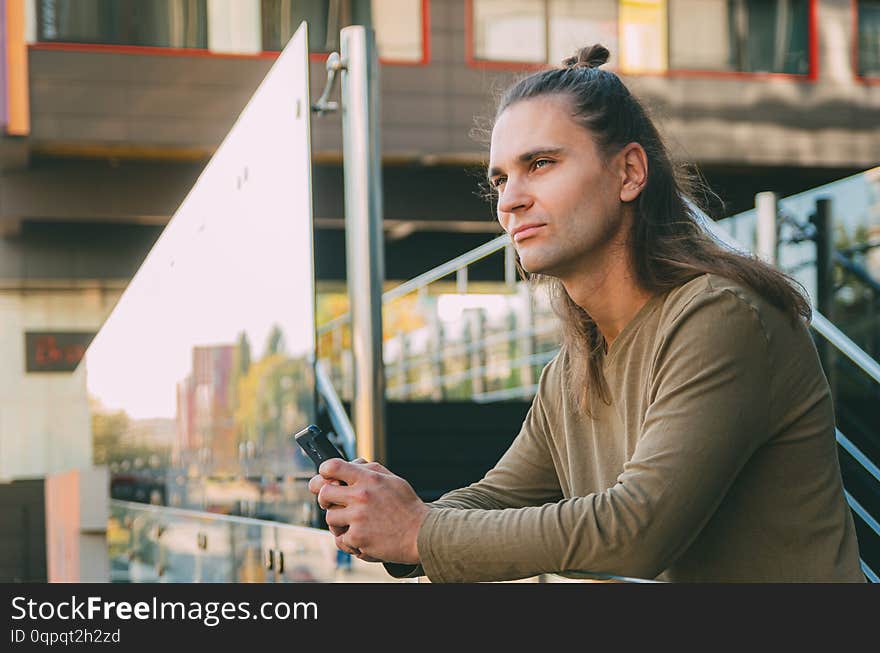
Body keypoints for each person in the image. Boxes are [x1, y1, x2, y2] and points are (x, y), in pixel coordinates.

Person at [309, 44, 865, 583]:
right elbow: (498, 496)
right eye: (500, 179)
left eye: (541, 164)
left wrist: (418, 532)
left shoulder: (721, 318)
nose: (509, 201)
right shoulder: (573, 367)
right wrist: (388, 514)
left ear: (629, 173)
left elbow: (637, 529)